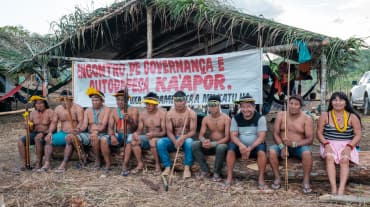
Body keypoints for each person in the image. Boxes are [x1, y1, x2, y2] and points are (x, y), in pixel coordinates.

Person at [317, 91, 362, 195]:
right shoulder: (325, 115)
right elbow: (319, 133)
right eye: (335, 100)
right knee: (329, 157)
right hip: (328, 143)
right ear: (331, 102)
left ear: (346, 102)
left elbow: (358, 135)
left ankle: (341, 189)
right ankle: (333, 188)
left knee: (345, 159)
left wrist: (349, 147)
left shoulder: (352, 117)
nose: (338, 102)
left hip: (347, 144)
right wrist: (326, 144)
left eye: (341, 100)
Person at [269, 95, 314, 193]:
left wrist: (294, 144)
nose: (293, 106)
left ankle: (306, 180)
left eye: (296, 104)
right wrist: (282, 147)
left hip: (298, 147)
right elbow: (275, 134)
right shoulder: (281, 115)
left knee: (307, 153)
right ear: (287, 104)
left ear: (301, 106)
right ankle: (277, 178)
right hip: (282, 145)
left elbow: (310, 139)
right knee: (272, 151)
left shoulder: (307, 118)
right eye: (291, 103)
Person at [225, 94, 268, 190]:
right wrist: (241, 146)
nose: (246, 109)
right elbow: (233, 135)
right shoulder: (236, 118)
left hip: (255, 145)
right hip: (240, 146)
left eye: (249, 106)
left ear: (254, 107)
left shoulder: (260, 118)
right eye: (243, 107)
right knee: (231, 148)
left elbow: (261, 137)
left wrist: (249, 148)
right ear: (240, 107)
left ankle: (261, 178)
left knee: (261, 151)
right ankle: (229, 176)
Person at [122, 92, 166, 176]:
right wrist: (136, 134)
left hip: (158, 137)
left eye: (150, 104)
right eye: (147, 104)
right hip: (147, 137)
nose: (148, 106)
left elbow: (164, 132)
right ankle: (140, 163)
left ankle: (157, 165)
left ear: (156, 105)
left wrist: (154, 134)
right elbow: (139, 129)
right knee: (134, 140)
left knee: (152, 141)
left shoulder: (162, 114)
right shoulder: (143, 114)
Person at [41, 90, 85, 173]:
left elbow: (81, 122)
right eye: (62, 100)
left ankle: (64, 164)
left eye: (67, 100)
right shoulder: (58, 109)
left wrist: (77, 129)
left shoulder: (78, 108)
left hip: (75, 133)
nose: (64, 102)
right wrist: (50, 133)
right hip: (63, 132)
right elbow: (54, 122)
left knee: (69, 138)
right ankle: (47, 163)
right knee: (48, 139)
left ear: (71, 100)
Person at [157, 90, 197, 178]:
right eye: (177, 101)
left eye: (181, 100)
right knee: (160, 142)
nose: (179, 103)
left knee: (190, 142)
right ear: (174, 101)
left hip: (186, 138)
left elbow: (193, 131)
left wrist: (183, 138)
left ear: (185, 101)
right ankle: (167, 167)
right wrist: (175, 141)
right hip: (174, 138)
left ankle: (187, 168)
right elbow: (169, 132)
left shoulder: (191, 113)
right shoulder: (169, 114)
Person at [192, 95, 230, 181]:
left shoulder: (226, 119)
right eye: (210, 104)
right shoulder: (206, 119)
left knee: (221, 147)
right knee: (194, 144)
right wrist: (204, 141)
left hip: (221, 145)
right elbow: (201, 135)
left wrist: (214, 143)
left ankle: (217, 173)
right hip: (210, 144)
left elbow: (228, 138)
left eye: (214, 104)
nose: (212, 107)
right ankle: (205, 170)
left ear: (219, 105)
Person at [79, 87, 111, 172]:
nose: (94, 102)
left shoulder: (107, 110)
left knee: (96, 137)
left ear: (102, 101)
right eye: (93, 100)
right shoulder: (87, 111)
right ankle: (84, 157)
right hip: (91, 134)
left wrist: (96, 131)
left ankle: (99, 160)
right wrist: (77, 130)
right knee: (74, 137)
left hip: (103, 134)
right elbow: (84, 125)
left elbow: (103, 125)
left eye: (96, 100)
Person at [17, 96, 54, 170]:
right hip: (35, 133)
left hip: (46, 133)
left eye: (41, 103)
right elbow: (31, 129)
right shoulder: (32, 113)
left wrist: (45, 132)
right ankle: (24, 164)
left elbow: (53, 127)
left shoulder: (50, 112)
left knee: (38, 138)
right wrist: (28, 126)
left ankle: (39, 163)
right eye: (37, 104)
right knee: (20, 141)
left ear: (45, 104)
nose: (39, 105)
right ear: (35, 105)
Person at [107, 89, 139, 176]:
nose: (120, 102)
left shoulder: (133, 110)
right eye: (118, 99)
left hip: (130, 133)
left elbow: (136, 127)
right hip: (119, 134)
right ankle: (107, 164)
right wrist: (112, 136)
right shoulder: (113, 111)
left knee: (130, 140)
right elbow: (110, 127)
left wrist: (129, 120)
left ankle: (125, 165)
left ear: (127, 100)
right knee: (103, 140)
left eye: (122, 100)